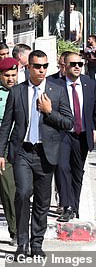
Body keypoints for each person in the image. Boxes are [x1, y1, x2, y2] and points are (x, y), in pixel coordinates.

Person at [0, 50, 74, 257]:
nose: (41, 70)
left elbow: (69, 123)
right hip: (22, 151)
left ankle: (37, 244)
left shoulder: (57, 91)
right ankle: (22, 243)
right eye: (37, 66)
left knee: (42, 201)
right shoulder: (17, 92)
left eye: (44, 66)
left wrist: (49, 112)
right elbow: (6, 125)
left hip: (45, 153)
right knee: (22, 194)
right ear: (28, 67)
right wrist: (1, 153)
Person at [54, 52, 96, 222]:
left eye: (80, 64)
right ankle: (67, 205)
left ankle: (74, 206)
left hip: (82, 135)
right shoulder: (54, 84)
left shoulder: (89, 84)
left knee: (77, 172)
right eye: (73, 64)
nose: (77, 67)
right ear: (64, 66)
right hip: (62, 135)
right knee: (62, 168)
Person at [0, 58, 19, 246]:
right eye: (7, 75)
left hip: (12, 147)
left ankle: (15, 232)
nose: (11, 79)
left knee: (9, 191)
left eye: (14, 75)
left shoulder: (22, 92)